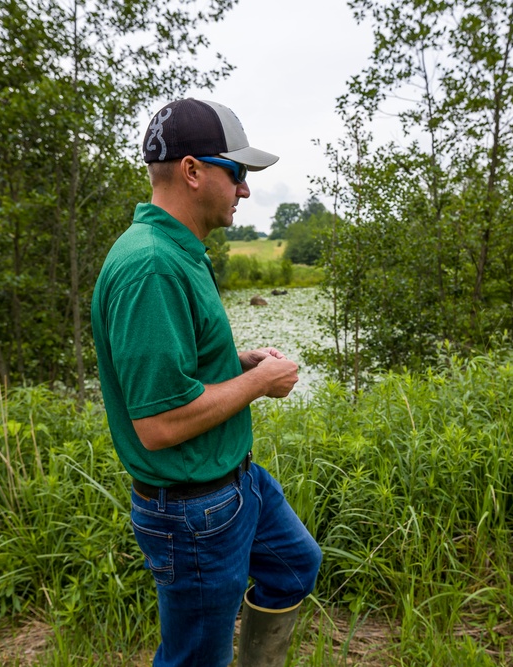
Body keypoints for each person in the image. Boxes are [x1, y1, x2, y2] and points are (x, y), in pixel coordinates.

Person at [91, 98, 322, 667]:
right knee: (195, 657)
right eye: (237, 173)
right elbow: (160, 423)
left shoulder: (179, 250)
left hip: (237, 482)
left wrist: (236, 362)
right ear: (193, 171)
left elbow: (174, 365)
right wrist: (262, 383)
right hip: (194, 512)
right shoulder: (151, 266)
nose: (244, 190)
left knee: (295, 565)